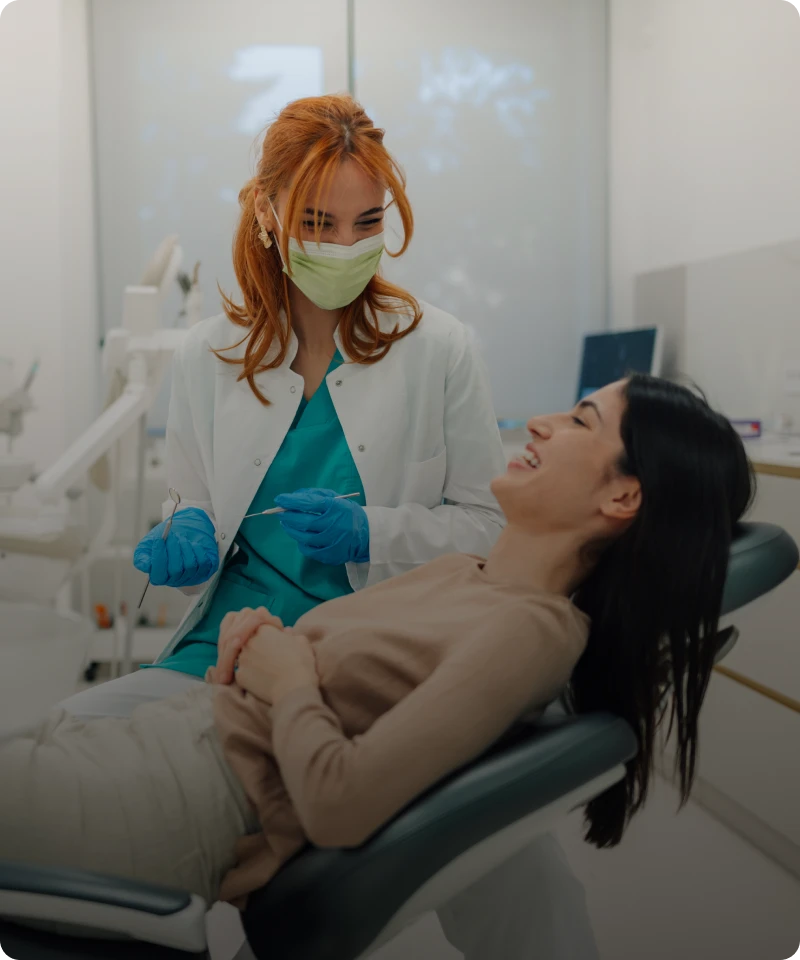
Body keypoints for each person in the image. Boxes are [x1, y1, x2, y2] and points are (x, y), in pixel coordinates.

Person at [57, 93, 592, 959]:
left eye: (366, 221)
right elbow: (198, 514)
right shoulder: (206, 358)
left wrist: (371, 533)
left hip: (371, 664)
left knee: (513, 867)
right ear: (267, 213)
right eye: (317, 222)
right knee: (75, 753)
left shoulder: (439, 348)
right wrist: (184, 538)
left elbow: (487, 530)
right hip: (222, 659)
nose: (345, 246)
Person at [1, 377, 754, 944]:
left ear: (624, 495)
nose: (540, 423)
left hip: (171, 794)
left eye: (581, 420)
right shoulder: (463, 574)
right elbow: (314, 674)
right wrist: (260, 641)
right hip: (147, 743)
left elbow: (346, 799)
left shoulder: (534, 631)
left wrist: (288, 680)